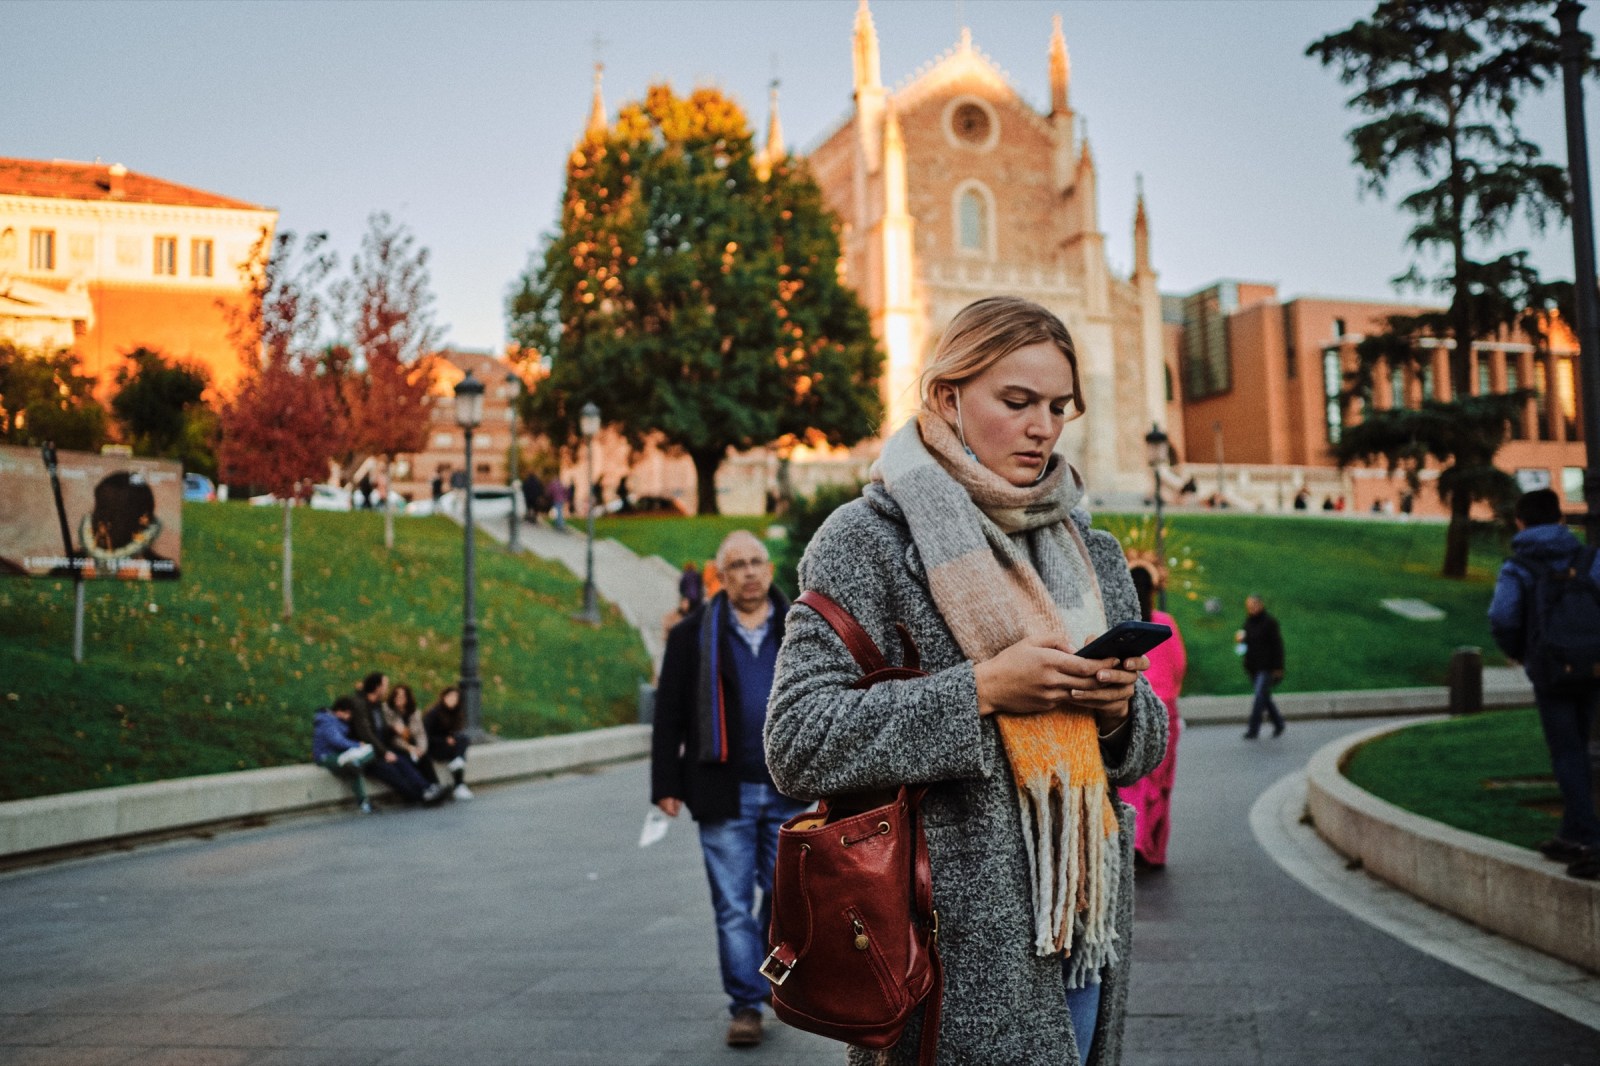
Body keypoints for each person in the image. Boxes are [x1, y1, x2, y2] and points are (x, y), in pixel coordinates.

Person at [766, 295, 1166, 1066]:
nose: (1043, 427)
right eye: (1017, 402)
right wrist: (981, 690)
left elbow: (1141, 748)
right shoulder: (865, 542)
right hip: (942, 952)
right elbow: (797, 743)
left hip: (1082, 935)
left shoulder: (1093, 552)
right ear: (948, 396)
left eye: (1058, 407)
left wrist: (1119, 712)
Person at [651, 530, 808, 1049]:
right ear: (721, 577)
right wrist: (665, 783)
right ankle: (745, 1005)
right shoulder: (691, 634)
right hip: (722, 790)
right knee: (733, 905)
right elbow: (669, 715)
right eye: (737, 565)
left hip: (789, 788)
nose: (749, 572)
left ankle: (767, 978)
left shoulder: (801, 627)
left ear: (770, 569)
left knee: (787, 898)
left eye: (756, 561)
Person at [1488, 488, 1600, 879]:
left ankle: (1589, 839)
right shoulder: (1590, 558)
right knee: (1579, 745)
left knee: (1567, 752)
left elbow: (1502, 617)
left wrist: (1520, 652)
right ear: (1560, 519)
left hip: (1551, 670)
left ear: (1520, 523)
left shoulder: (1518, 566)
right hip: (1592, 665)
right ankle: (1571, 832)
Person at [1119, 567, 1187, 869]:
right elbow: (1180, 665)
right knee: (1161, 783)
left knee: (1134, 782)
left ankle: (1135, 841)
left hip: (1133, 707)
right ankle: (1154, 849)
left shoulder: (1124, 627)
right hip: (1166, 710)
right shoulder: (1164, 623)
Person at [349, 672, 447, 805]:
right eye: (385, 685)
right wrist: (384, 752)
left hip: (383, 749)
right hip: (369, 754)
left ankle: (428, 788)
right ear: (377, 687)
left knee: (405, 763)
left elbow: (381, 731)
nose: (387, 689)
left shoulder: (377, 705)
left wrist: (392, 730)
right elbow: (366, 734)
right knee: (394, 774)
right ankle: (422, 795)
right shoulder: (360, 705)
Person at [312, 697, 377, 814]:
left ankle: (363, 802)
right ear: (339, 711)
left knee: (365, 755)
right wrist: (357, 745)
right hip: (326, 756)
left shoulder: (339, 722)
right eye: (347, 713)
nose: (348, 717)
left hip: (341, 755)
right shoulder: (327, 722)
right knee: (353, 767)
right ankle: (363, 802)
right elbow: (337, 741)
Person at [1238, 595, 1286, 739]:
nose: (1251, 608)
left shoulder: (1269, 622)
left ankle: (1253, 729)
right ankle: (1278, 723)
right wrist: (1241, 641)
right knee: (1265, 697)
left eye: (1253, 605)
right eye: (1249, 606)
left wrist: (1278, 667)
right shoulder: (1248, 623)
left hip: (1266, 667)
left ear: (1260, 605)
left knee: (1259, 696)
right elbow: (1244, 646)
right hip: (1253, 667)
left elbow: (1277, 645)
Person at [423, 685, 474, 800]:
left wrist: (451, 738)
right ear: (444, 697)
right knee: (457, 753)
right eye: (450, 697)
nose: (453, 700)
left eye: (456, 698)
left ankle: (458, 770)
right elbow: (426, 736)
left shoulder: (455, 714)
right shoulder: (433, 713)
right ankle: (459, 785)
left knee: (463, 739)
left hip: (447, 746)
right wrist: (444, 740)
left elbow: (454, 733)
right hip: (434, 747)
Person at [383, 683, 437, 785]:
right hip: (398, 746)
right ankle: (426, 787)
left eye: (402, 697)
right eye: (396, 696)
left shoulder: (414, 712)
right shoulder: (388, 711)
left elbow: (421, 734)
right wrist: (409, 748)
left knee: (425, 758)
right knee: (409, 760)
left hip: (414, 745)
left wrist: (421, 749)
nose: (399, 699)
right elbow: (393, 738)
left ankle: (435, 785)